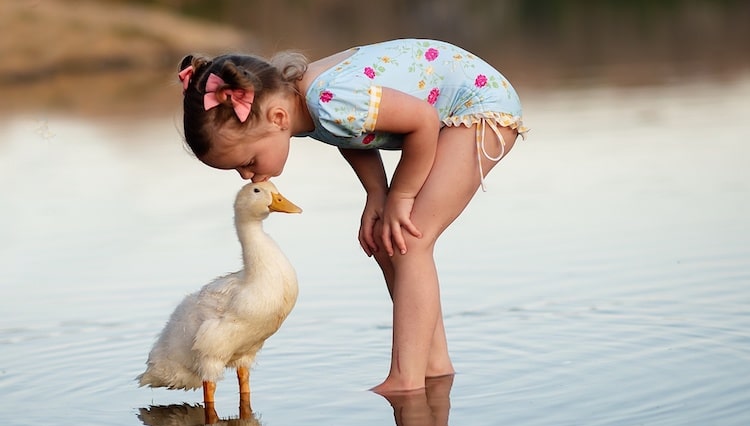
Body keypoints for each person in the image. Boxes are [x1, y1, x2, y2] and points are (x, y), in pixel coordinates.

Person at [177, 38, 527, 393]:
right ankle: (434, 364)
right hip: (452, 114)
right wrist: (377, 193)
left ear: (277, 118)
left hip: (479, 108)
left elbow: (423, 119)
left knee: (410, 239)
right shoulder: (302, 104)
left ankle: (406, 377)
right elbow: (351, 135)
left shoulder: (326, 98)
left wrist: (401, 196)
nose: (248, 176)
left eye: (247, 162)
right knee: (388, 239)